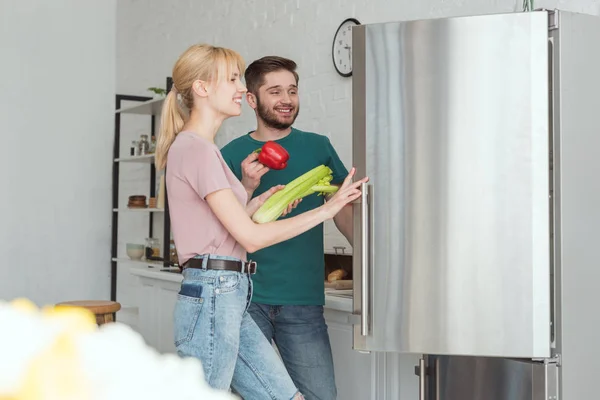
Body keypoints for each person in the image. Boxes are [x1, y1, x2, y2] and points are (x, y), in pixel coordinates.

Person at [155, 44, 366, 400]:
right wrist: (325, 211)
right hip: (214, 290)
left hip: (229, 291)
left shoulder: (200, 148)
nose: (241, 88)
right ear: (203, 88)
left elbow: (224, 228)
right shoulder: (198, 149)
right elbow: (248, 237)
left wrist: (254, 200)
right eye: (233, 79)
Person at [220, 56, 354, 400]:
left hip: (302, 299)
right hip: (247, 297)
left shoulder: (318, 147)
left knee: (321, 394)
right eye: (275, 91)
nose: (287, 99)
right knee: (252, 394)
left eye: (292, 91)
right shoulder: (232, 155)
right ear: (252, 99)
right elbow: (224, 227)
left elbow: (340, 208)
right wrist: (248, 189)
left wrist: (368, 254)